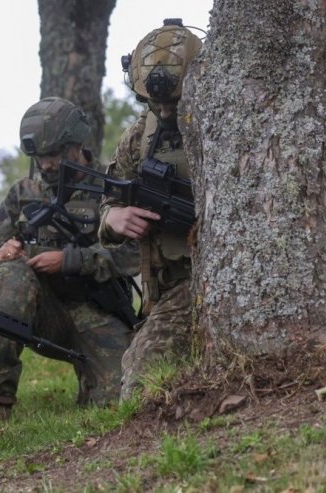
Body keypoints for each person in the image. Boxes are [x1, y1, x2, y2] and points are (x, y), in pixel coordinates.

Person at [0, 96, 140, 420]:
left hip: (93, 309)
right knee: (9, 277)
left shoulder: (110, 189)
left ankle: (90, 378)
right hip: (38, 308)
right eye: (40, 157)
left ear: (76, 145)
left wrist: (70, 261)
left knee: (119, 397)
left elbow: (132, 255)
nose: (47, 164)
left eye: (54, 154)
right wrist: (1, 251)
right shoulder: (23, 193)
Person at [99, 19, 203, 400]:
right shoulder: (139, 138)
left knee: (142, 378)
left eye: (171, 102)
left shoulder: (223, 128)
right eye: (153, 103)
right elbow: (109, 200)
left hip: (206, 280)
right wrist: (113, 219)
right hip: (166, 286)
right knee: (139, 376)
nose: (162, 110)